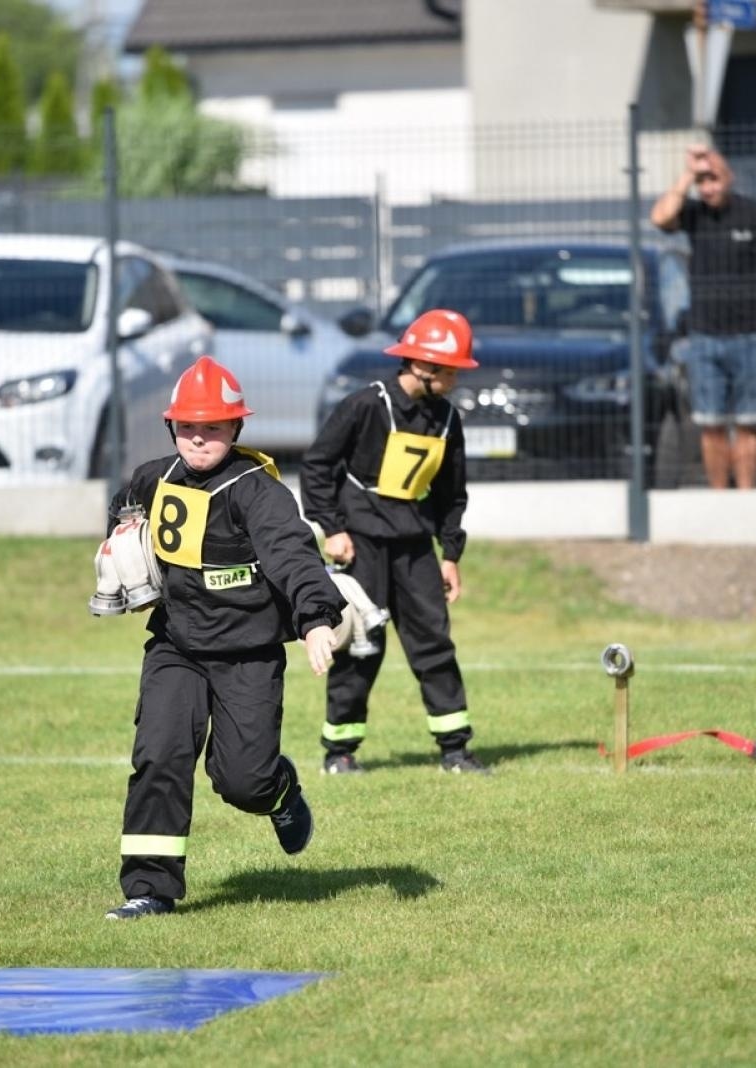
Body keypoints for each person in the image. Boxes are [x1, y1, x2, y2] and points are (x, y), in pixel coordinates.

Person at [102, 356, 344, 920]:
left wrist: (315, 619)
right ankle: (149, 888)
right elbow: (123, 507)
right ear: (171, 426)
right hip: (177, 646)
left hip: (248, 655)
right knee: (159, 755)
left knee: (243, 782)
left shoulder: (259, 493)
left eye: (212, 427)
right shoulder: (153, 477)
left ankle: (279, 791)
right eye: (187, 426)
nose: (198, 438)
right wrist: (120, 538)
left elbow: (294, 556)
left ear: (235, 428)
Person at [299, 308, 486, 775]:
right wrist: (333, 528)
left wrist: (450, 555)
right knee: (361, 646)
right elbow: (318, 465)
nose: (456, 380)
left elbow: (451, 493)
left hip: (416, 549)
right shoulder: (365, 405)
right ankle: (339, 753)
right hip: (360, 547)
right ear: (422, 366)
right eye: (451, 371)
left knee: (434, 647)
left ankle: (455, 751)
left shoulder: (446, 419)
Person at [650, 143, 756, 489]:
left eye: (713, 179)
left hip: (751, 335)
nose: (708, 188)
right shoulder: (694, 214)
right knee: (711, 423)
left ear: (729, 177)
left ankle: (746, 495)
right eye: (701, 181)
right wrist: (687, 175)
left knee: (748, 422)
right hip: (705, 336)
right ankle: (720, 497)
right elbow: (660, 218)